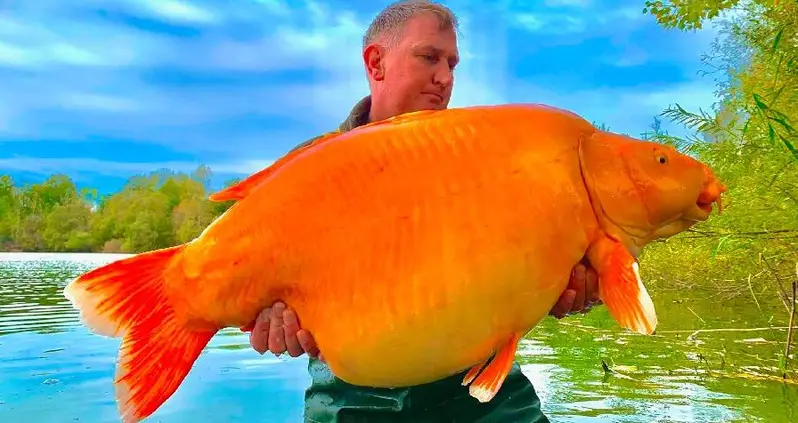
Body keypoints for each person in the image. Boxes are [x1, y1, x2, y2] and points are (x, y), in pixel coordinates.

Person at [248, 1, 600, 421]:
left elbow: (572, 263)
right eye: (429, 57)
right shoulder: (303, 174)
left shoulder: (491, 161)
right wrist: (269, 320)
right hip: (350, 402)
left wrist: (585, 286)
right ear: (376, 62)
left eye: (452, 64)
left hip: (488, 399)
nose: (445, 78)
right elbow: (258, 292)